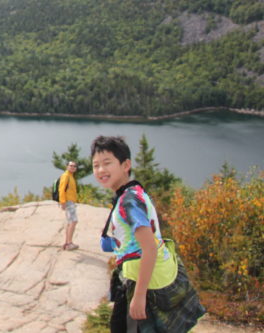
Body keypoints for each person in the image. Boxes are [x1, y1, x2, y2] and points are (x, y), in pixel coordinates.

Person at [91, 135, 205, 332]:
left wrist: (140, 296)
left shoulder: (129, 202)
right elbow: (130, 241)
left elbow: (149, 248)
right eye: (96, 165)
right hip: (139, 278)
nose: (101, 170)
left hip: (146, 285)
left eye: (107, 163)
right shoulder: (131, 192)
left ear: (126, 165)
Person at [58, 160, 79, 250]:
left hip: (71, 201)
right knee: (73, 221)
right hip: (68, 202)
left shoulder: (70, 176)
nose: (72, 167)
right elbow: (61, 189)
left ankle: (67, 242)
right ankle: (69, 243)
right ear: (67, 166)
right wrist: (62, 202)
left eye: (74, 166)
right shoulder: (66, 176)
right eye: (71, 165)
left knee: (70, 222)